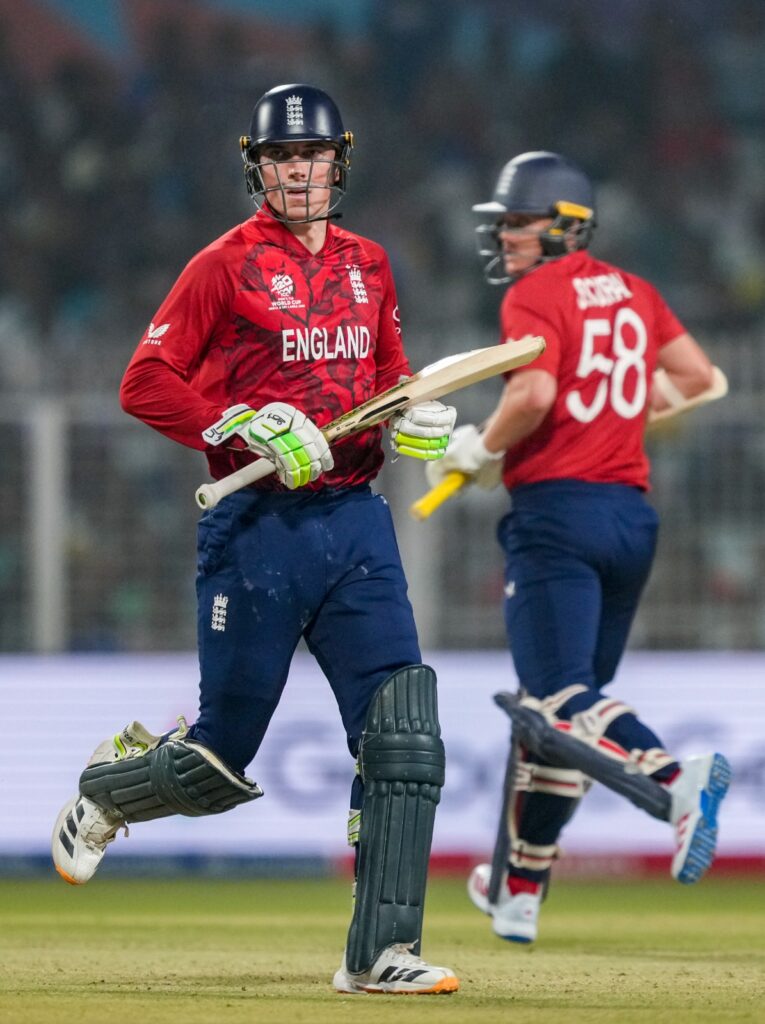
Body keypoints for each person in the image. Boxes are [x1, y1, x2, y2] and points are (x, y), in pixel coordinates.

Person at [51, 83, 460, 996]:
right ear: (258, 169)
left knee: (403, 738)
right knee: (218, 757)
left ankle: (379, 954)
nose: (300, 172)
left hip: (355, 522)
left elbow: (388, 383)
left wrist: (416, 424)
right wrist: (242, 423)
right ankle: (106, 791)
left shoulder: (371, 264)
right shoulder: (222, 266)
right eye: (282, 158)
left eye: (314, 156)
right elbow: (144, 382)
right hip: (257, 530)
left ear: (339, 162)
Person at [425, 150, 731, 944]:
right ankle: (520, 885)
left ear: (561, 226)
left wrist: (479, 450)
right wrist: (617, 418)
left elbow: (530, 393)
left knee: (557, 699)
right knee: (561, 713)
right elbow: (699, 377)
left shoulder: (536, 294)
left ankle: (676, 777)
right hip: (630, 516)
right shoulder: (635, 290)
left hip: (557, 514)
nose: (508, 239)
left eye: (518, 224)